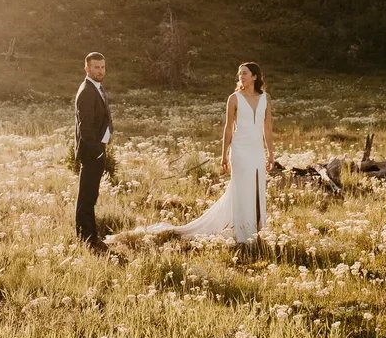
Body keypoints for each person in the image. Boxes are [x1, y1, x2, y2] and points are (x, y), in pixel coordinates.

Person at [109, 61, 274, 245]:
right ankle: (244, 233)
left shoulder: (265, 98)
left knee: (257, 187)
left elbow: (267, 129)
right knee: (241, 188)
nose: (241, 76)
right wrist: (224, 155)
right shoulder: (234, 98)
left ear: (255, 77)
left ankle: (257, 229)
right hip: (240, 150)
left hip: (256, 151)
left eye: (245, 73)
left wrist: (271, 154)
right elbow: (228, 128)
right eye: (240, 73)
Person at [74, 51, 113, 250]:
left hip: (97, 150)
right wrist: (97, 151)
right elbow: (85, 127)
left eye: (102, 67)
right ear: (87, 68)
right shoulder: (87, 91)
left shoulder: (96, 87)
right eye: (96, 67)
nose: (100, 70)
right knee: (87, 197)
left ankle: (89, 235)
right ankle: (87, 239)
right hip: (91, 153)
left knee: (91, 195)